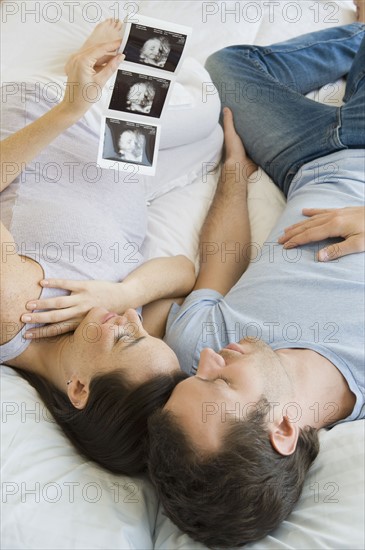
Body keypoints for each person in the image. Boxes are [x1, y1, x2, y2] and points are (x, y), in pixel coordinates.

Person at [147, 14, 365, 548]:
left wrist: (234, 169)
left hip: (300, 159)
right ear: (284, 429)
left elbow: (223, 256)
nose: (205, 361)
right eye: (220, 381)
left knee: (226, 68)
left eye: (193, 377)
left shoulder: (200, 347)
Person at [0, 19, 194, 475]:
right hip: (125, 148)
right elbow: (183, 271)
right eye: (143, 330)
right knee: (215, 119)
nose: (133, 322)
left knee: (207, 86)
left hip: (53, 113)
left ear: (79, 389)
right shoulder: (122, 333)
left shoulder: (14, 306)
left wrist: (71, 105)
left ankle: (83, 68)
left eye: (128, 337)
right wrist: (127, 293)